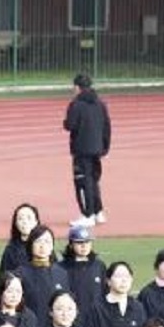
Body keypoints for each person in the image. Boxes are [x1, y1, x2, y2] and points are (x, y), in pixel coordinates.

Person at [63, 73, 110, 224]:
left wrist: (66, 122)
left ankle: (87, 214)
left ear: (77, 87)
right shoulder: (100, 104)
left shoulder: (76, 105)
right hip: (97, 149)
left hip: (81, 149)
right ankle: (98, 211)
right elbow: (107, 126)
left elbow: (70, 125)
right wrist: (105, 147)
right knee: (93, 180)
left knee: (83, 182)